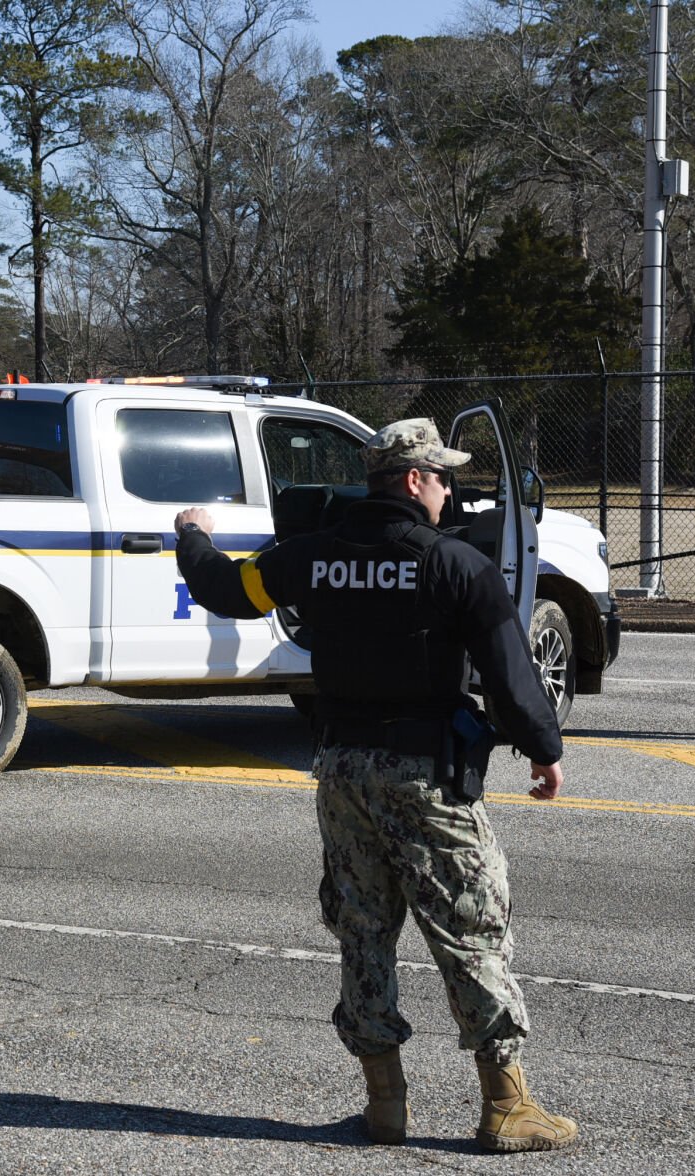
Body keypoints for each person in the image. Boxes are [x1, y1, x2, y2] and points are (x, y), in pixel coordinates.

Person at [174, 418, 578, 1153]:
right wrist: (544, 750)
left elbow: (227, 589)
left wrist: (192, 534)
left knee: (363, 932)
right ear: (415, 480)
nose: (450, 490)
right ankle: (508, 1108)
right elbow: (510, 673)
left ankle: (384, 1106)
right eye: (443, 477)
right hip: (426, 776)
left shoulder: (312, 557)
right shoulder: (454, 564)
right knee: (468, 928)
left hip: (342, 772)